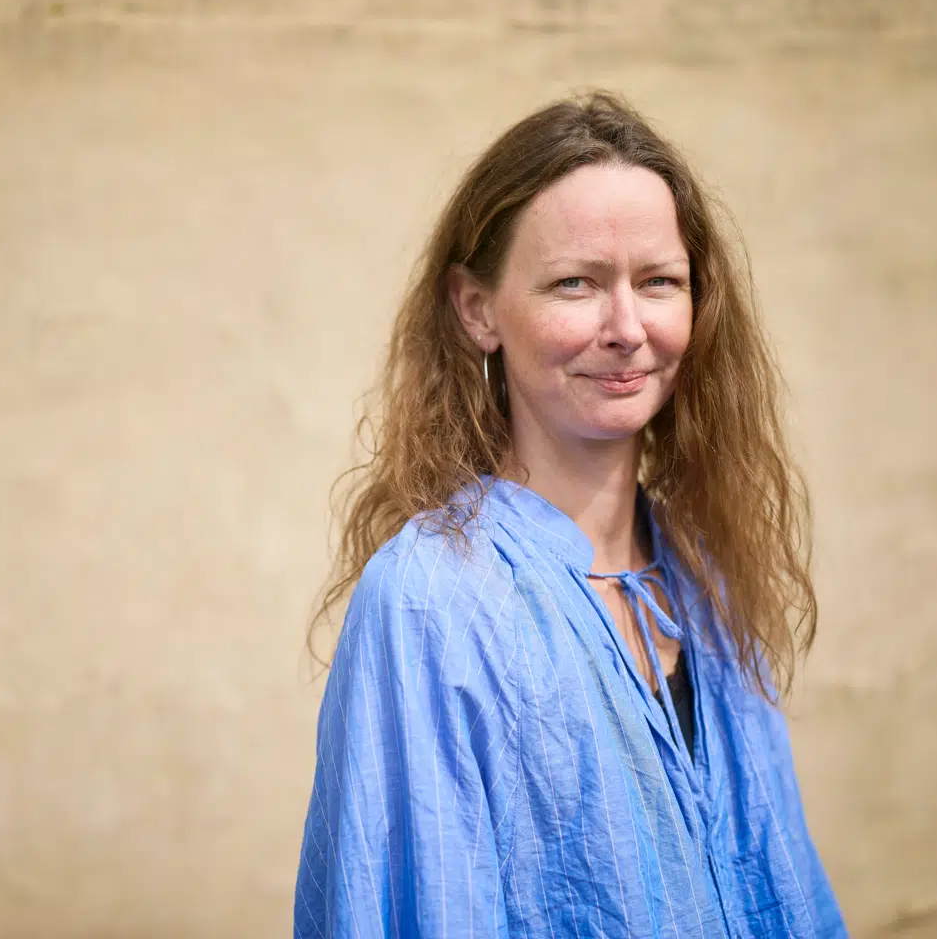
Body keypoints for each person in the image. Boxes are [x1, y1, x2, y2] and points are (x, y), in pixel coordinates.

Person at [293, 92, 846, 938]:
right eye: (574, 283)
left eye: (658, 282)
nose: (627, 328)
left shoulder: (705, 577)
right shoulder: (431, 600)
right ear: (477, 309)